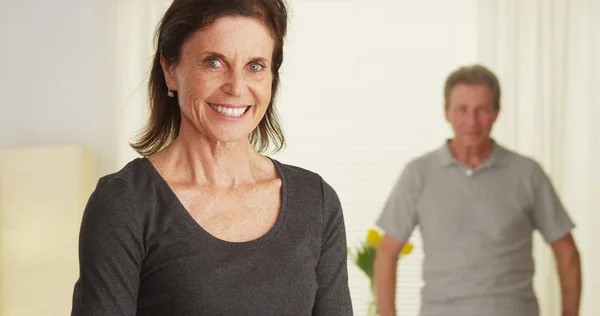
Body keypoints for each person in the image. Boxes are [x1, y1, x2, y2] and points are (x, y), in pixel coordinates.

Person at [70, 0, 353, 315]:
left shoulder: (316, 201)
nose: (236, 87)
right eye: (214, 62)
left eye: (255, 66)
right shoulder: (126, 202)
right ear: (170, 69)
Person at [373, 65, 581, 316]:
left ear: (496, 112)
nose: (472, 121)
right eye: (462, 110)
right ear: (446, 113)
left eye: (481, 110)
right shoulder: (418, 174)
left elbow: (566, 251)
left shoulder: (527, 173)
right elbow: (387, 252)